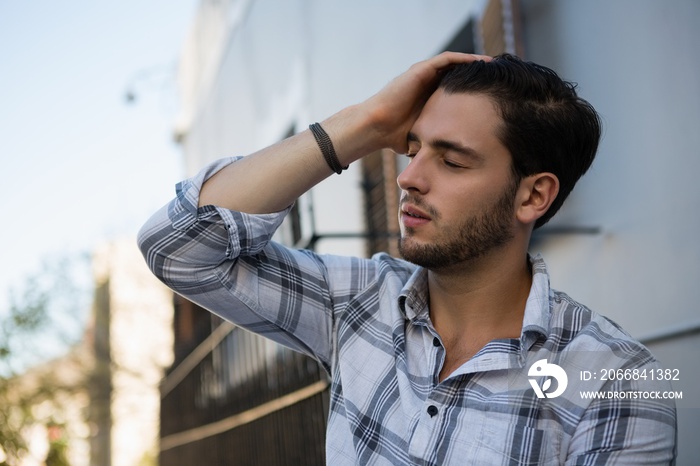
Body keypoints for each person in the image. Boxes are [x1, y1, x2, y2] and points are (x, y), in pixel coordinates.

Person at [139, 52, 677, 464]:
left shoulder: (614, 382)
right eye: (414, 147)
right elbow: (178, 248)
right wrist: (366, 124)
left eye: (453, 161)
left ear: (532, 196)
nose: (408, 176)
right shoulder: (358, 302)